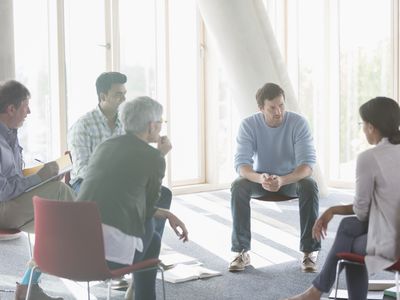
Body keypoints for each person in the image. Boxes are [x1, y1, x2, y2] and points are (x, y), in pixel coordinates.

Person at [286, 97, 400, 300]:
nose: (363, 129)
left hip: (391, 243)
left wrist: (333, 210)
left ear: (371, 127)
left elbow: (363, 212)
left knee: (348, 245)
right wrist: (333, 210)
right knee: (348, 226)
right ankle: (315, 292)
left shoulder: (369, 158)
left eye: (362, 124)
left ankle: (316, 292)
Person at [77, 96, 188, 300]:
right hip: (109, 258)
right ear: (152, 126)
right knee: (149, 227)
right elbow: (146, 209)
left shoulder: (106, 146)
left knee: (153, 239)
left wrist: (167, 214)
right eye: (161, 122)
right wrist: (159, 156)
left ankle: (140, 295)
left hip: (76, 247)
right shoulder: (153, 157)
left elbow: (123, 196)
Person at [67, 72, 172, 238]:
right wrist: (119, 181)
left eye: (124, 94)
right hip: (85, 182)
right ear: (103, 96)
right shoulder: (82, 126)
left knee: (164, 194)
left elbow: (136, 159)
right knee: (127, 198)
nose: (124, 99)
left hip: (121, 180)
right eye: (118, 94)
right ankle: (130, 244)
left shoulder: (126, 122)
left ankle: (149, 240)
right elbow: (82, 169)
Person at [229, 82, 320, 273]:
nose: (278, 112)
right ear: (261, 108)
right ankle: (241, 251)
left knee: (309, 185)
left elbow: (307, 166)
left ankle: (309, 252)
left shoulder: (298, 123)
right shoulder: (248, 125)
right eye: (272, 107)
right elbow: (241, 165)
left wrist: (283, 180)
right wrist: (260, 178)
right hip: (260, 180)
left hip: (290, 180)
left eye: (281, 105)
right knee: (238, 185)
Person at [0, 80, 75, 300]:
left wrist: (42, 175)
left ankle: (28, 286)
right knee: (59, 192)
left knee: (53, 222)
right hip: (3, 206)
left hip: (12, 204)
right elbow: (3, 191)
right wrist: (41, 178)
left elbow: (16, 176)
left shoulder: (10, 135)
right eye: (26, 106)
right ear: (11, 109)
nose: (29, 111)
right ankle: (97, 234)